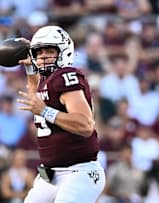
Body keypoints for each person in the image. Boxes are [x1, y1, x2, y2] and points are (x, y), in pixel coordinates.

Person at [16, 25, 106, 203]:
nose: (43, 57)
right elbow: (38, 94)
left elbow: (86, 125)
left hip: (79, 172)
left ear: (64, 51)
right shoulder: (47, 80)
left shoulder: (66, 76)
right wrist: (30, 69)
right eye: (39, 53)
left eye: (49, 51)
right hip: (49, 175)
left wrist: (45, 111)